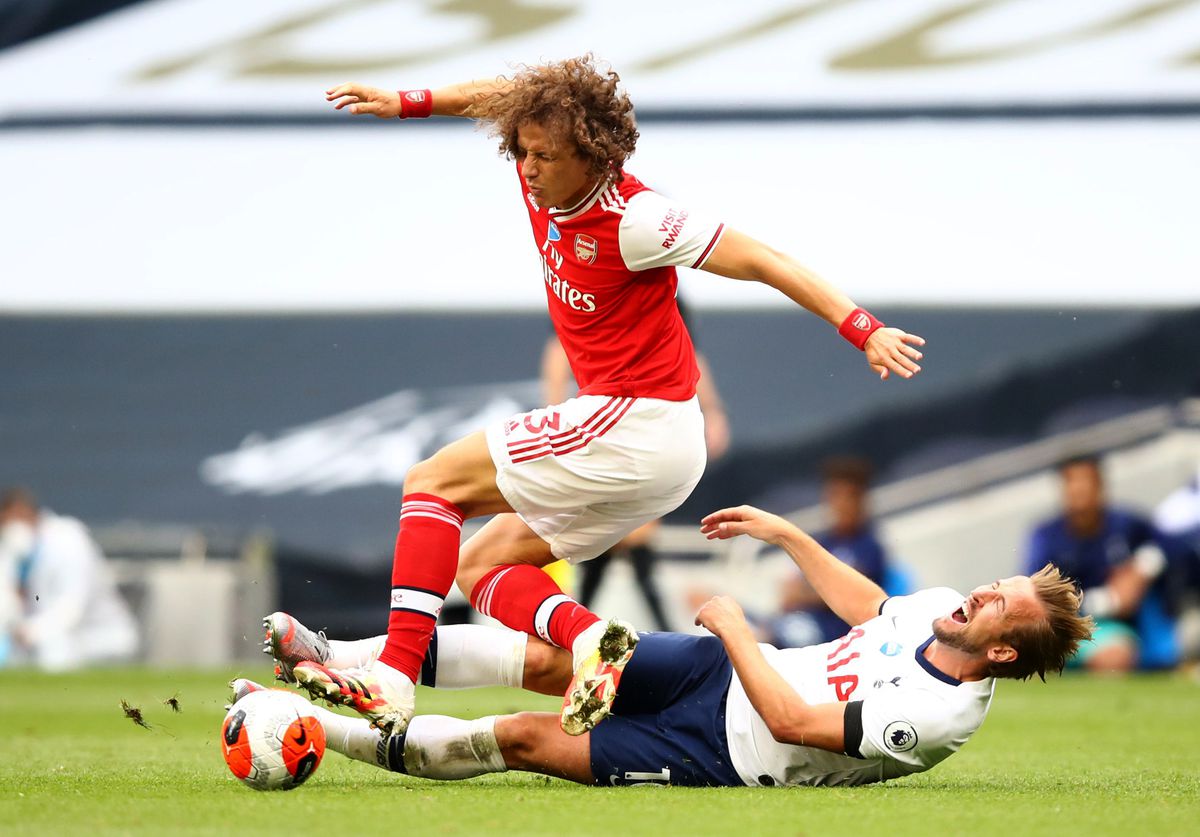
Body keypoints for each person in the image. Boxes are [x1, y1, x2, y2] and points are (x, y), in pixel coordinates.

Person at [304, 55, 926, 737]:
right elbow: (505, 95)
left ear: (592, 155)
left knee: (432, 482)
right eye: (523, 150)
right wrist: (409, 101)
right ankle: (592, 639)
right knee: (479, 563)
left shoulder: (636, 217)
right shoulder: (540, 175)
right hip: (653, 442)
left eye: (545, 155)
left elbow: (763, 259)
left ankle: (391, 677)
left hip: (638, 421)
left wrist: (862, 327)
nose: (529, 167)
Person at [258, 504, 1092, 788]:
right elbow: (868, 606)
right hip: (715, 668)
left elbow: (796, 723)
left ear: (1003, 653)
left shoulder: (940, 716)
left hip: (721, 751)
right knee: (556, 660)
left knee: (525, 737)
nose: (982, 591)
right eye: (996, 583)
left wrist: (737, 629)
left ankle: (313, 725)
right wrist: (785, 533)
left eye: (999, 603)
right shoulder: (938, 609)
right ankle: (336, 655)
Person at [543, 297, 731, 632]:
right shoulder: (600, 287)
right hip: (610, 420)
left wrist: (713, 411)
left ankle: (574, 629)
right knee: (615, 542)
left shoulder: (665, 296)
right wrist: (558, 417)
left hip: (643, 423)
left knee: (623, 542)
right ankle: (577, 628)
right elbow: (559, 350)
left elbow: (688, 352)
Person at [1025, 455, 1173, 672]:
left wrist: (1142, 568)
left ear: (1100, 485)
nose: (1079, 489)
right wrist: (1096, 602)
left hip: (1118, 626)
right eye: (1071, 481)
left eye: (1086, 481)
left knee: (1116, 656)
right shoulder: (1046, 535)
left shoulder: (1128, 525)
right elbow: (1034, 588)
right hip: (1064, 624)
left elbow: (1172, 547)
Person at [0, 488, 138, 671]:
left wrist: (31, 631)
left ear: (24, 511)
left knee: (55, 650)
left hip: (100, 639)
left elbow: (71, 609)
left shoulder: (69, 540)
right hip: (43, 642)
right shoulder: (14, 549)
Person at [773, 457, 893, 647]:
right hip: (801, 625)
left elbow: (849, 591)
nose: (841, 504)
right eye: (835, 496)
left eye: (848, 497)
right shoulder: (822, 543)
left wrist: (806, 594)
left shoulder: (869, 547)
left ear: (861, 500)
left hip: (837, 637)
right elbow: (790, 592)